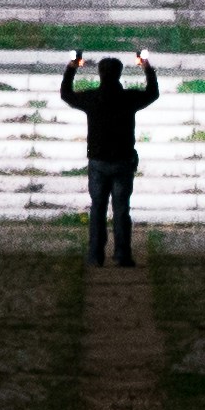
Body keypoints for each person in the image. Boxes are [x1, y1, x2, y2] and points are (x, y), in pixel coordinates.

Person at [58, 49, 161, 266]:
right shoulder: (128, 99)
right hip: (123, 160)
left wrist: (72, 67)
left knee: (97, 209)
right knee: (122, 209)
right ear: (119, 74)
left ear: (100, 74)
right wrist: (146, 67)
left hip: (98, 160)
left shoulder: (92, 98)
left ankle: (95, 256)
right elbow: (152, 93)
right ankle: (122, 254)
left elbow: (66, 94)